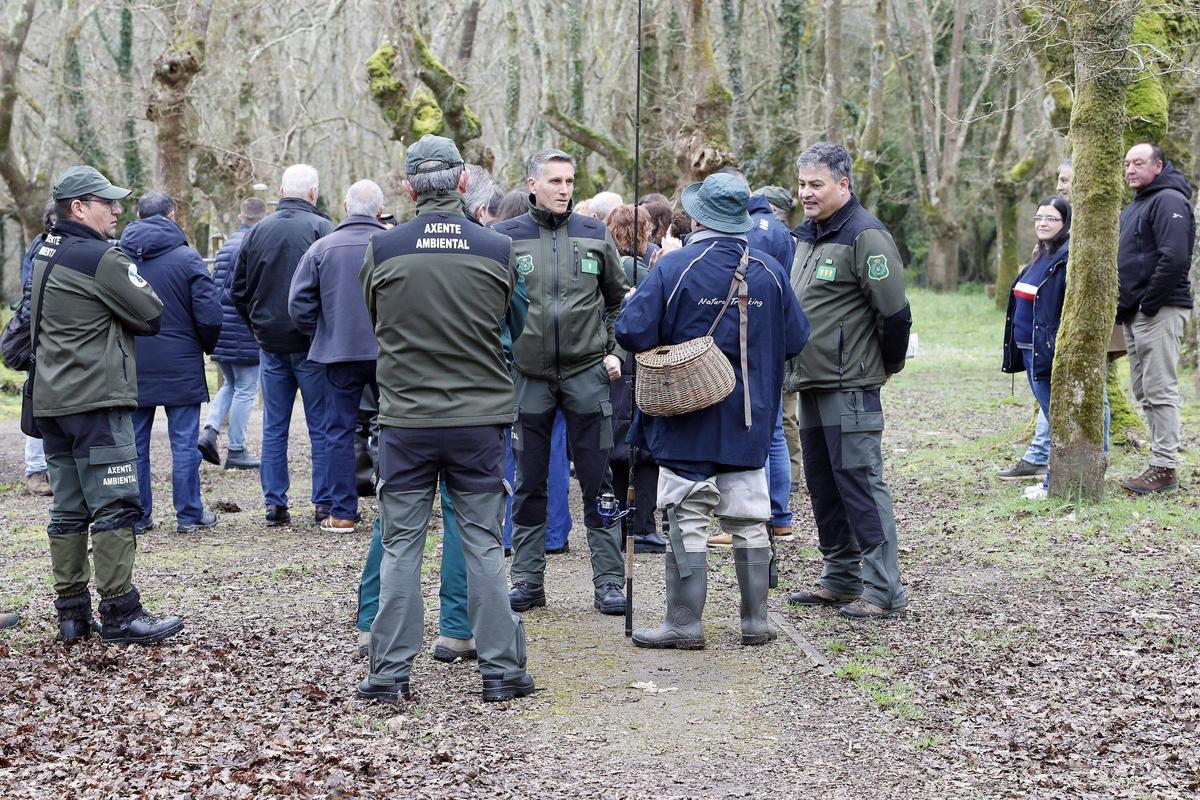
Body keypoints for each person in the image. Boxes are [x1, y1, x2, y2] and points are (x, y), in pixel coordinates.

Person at [356, 134, 533, 703]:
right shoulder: (497, 248)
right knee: (482, 542)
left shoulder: (383, 250)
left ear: (407, 188)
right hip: (479, 419)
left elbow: (376, 316)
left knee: (402, 543)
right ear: (462, 182)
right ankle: (502, 673)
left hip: (407, 418)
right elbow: (518, 325)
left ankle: (388, 676)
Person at [616, 172, 808, 649]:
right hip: (751, 416)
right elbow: (797, 340)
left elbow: (632, 333)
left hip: (685, 415)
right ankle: (756, 622)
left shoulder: (673, 266)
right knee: (748, 515)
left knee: (686, 515)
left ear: (698, 215)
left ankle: (684, 623)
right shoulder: (770, 271)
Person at [32, 165, 182, 644]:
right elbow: (152, 312)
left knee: (68, 509)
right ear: (78, 207)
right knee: (116, 505)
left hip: (52, 401)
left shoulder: (43, 250)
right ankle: (120, 612)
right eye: (107, 202)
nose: (118, 210)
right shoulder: (101, 257)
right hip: (97, 398)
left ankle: (71, 614)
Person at [493, 149, 630, 616]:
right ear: (532, 184)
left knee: (599, 478)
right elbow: (491, 309)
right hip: (528, 378)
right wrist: (503, 357)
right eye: (555, 181)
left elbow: (618, 302)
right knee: (530, 479)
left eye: (570, 181)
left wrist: (615, 351)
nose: (564, 189)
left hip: (586, 375)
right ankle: (528, 579)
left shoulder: (595, 235)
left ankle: (610, 580)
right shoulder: (506, 238)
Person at [783, 142, 912, 620]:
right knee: (822, 482)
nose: (806, 193)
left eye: (816, 184)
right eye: (802, 184)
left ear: (843, 184)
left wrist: (886, 366)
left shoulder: (866, 236)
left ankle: (884, 590)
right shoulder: (810, 236)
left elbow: (895, 314)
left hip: (850, 384)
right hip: (811, 382)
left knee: (859, 481)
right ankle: (841, 577)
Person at [231, 164, 335, 526]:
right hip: (312, 343)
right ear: (313, 193)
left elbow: (238, 290)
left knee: (275, 426)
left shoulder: (257, 232)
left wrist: (256, 327)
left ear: (280, 190)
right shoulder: (323, 229)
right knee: (320, 425)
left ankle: (275, 503)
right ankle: (323, 502)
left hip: (271, 342)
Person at [120, 191, 222, 534]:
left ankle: (138, 515)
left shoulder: (117, 258)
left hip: (133, 361)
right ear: (172, 215)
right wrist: (203, 347)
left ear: (136, 214)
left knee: (134, 446)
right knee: (183, 443)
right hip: (181, 362)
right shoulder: (188, 258)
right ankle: (189, 514)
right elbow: (209, 315)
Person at [288, 180, 386, 532]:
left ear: (345, 206)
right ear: (379, 210)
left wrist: (322, 333)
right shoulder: (392, 245)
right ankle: (395, 510)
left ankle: (343, 512)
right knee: (392, 426)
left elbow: (298, 304)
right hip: (390, 352)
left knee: (339, 430)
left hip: (340, 353)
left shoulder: (322, 249)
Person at [708, 167, 797, 546]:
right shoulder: (780, 229)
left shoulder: (751, 232)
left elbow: (749, 286)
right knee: (774, 428)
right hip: (775, 338)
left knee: (760, 428)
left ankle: (761, 517)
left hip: (750, 342)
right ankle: (779, 516)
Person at [1117, 143, 1195, 494]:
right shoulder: (1137, 204)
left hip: (1160, 309)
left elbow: (1175, 257)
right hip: (1136, 312)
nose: (1130, 169)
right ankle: (1158, 459)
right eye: (1127, 164)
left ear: (1159, 166)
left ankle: (1165, 467)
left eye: (1139, 163)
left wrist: (1149, 303)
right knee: (1143, 389)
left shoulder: (1169, 201)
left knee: (1160, 388)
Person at [201, 198, 267, 471]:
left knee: (230, 384)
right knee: (246, 389)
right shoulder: (254, 244)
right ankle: (237, 449)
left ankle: (210, 431)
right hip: (243, 329)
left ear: (241, 215)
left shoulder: (228, 243)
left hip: (222, 329)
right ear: (263, 218)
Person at [19, 202, 57, 497]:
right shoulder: (41, 248)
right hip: (40, 334)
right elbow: (29, 290)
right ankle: (35, 469)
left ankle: (51, 468)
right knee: (35, 396)